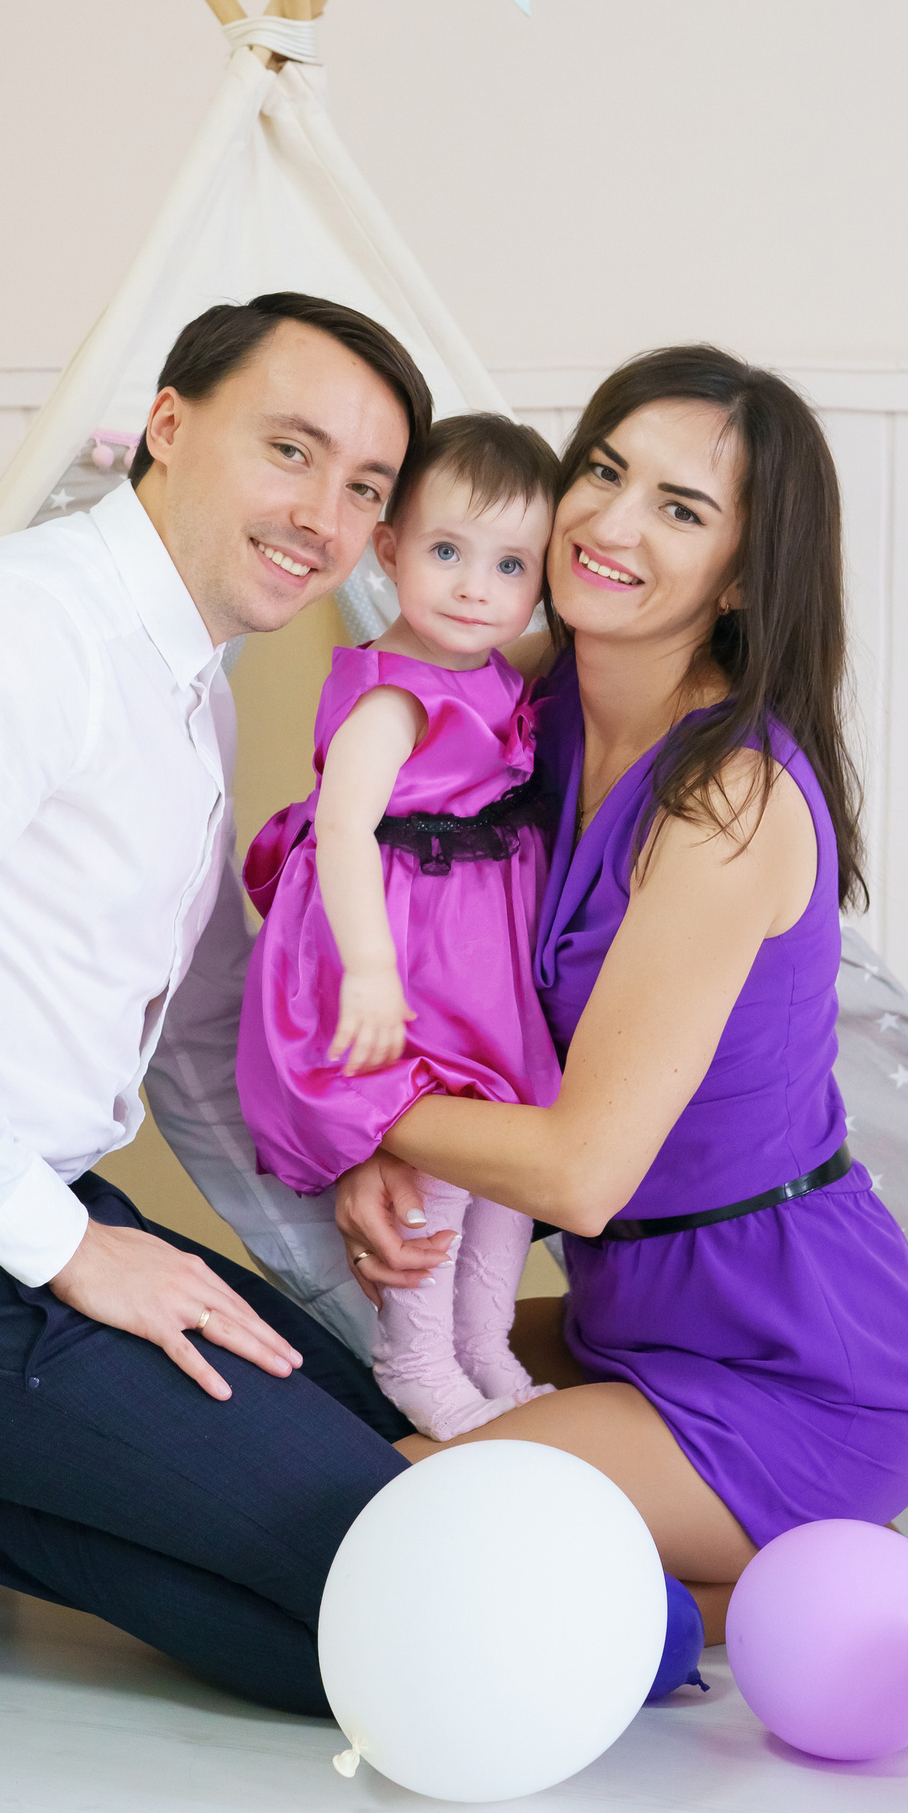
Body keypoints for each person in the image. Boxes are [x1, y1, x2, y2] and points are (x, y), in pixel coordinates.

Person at [0, 293, 434, 1712]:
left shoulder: (193, 687)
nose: (325, 517)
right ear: (167, 426)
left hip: (28, 1219)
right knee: (404, 1633)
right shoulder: (20, 634)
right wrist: (71, 1253)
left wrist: (322, 1291)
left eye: (366, 487)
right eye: (290, 450)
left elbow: (197, 1043)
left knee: (397, 1445)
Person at [337, 346, 908, 1645]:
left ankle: (772, 1556)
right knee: (302, 1403)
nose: (610, 524)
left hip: (796, 1366)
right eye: (604, 471)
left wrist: (349, 1117)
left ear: (742, 575)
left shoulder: (729, 798)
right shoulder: (526, 700)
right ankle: (764, 1574)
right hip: (624, 1315)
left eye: (678, 507)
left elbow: (578, 1174)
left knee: (364, 1523)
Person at [235, 413, 564, 1438]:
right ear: (389, 550)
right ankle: (417, 1354)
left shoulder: (498, 670)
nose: (475, 588)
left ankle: (484, 1343)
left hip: (479, 951)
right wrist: (372, 971)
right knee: (443, 1155)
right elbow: (340, 828)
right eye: (446, 552)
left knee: (510, 1160)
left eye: (510, 565)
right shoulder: (393, 695)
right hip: (407, 948)